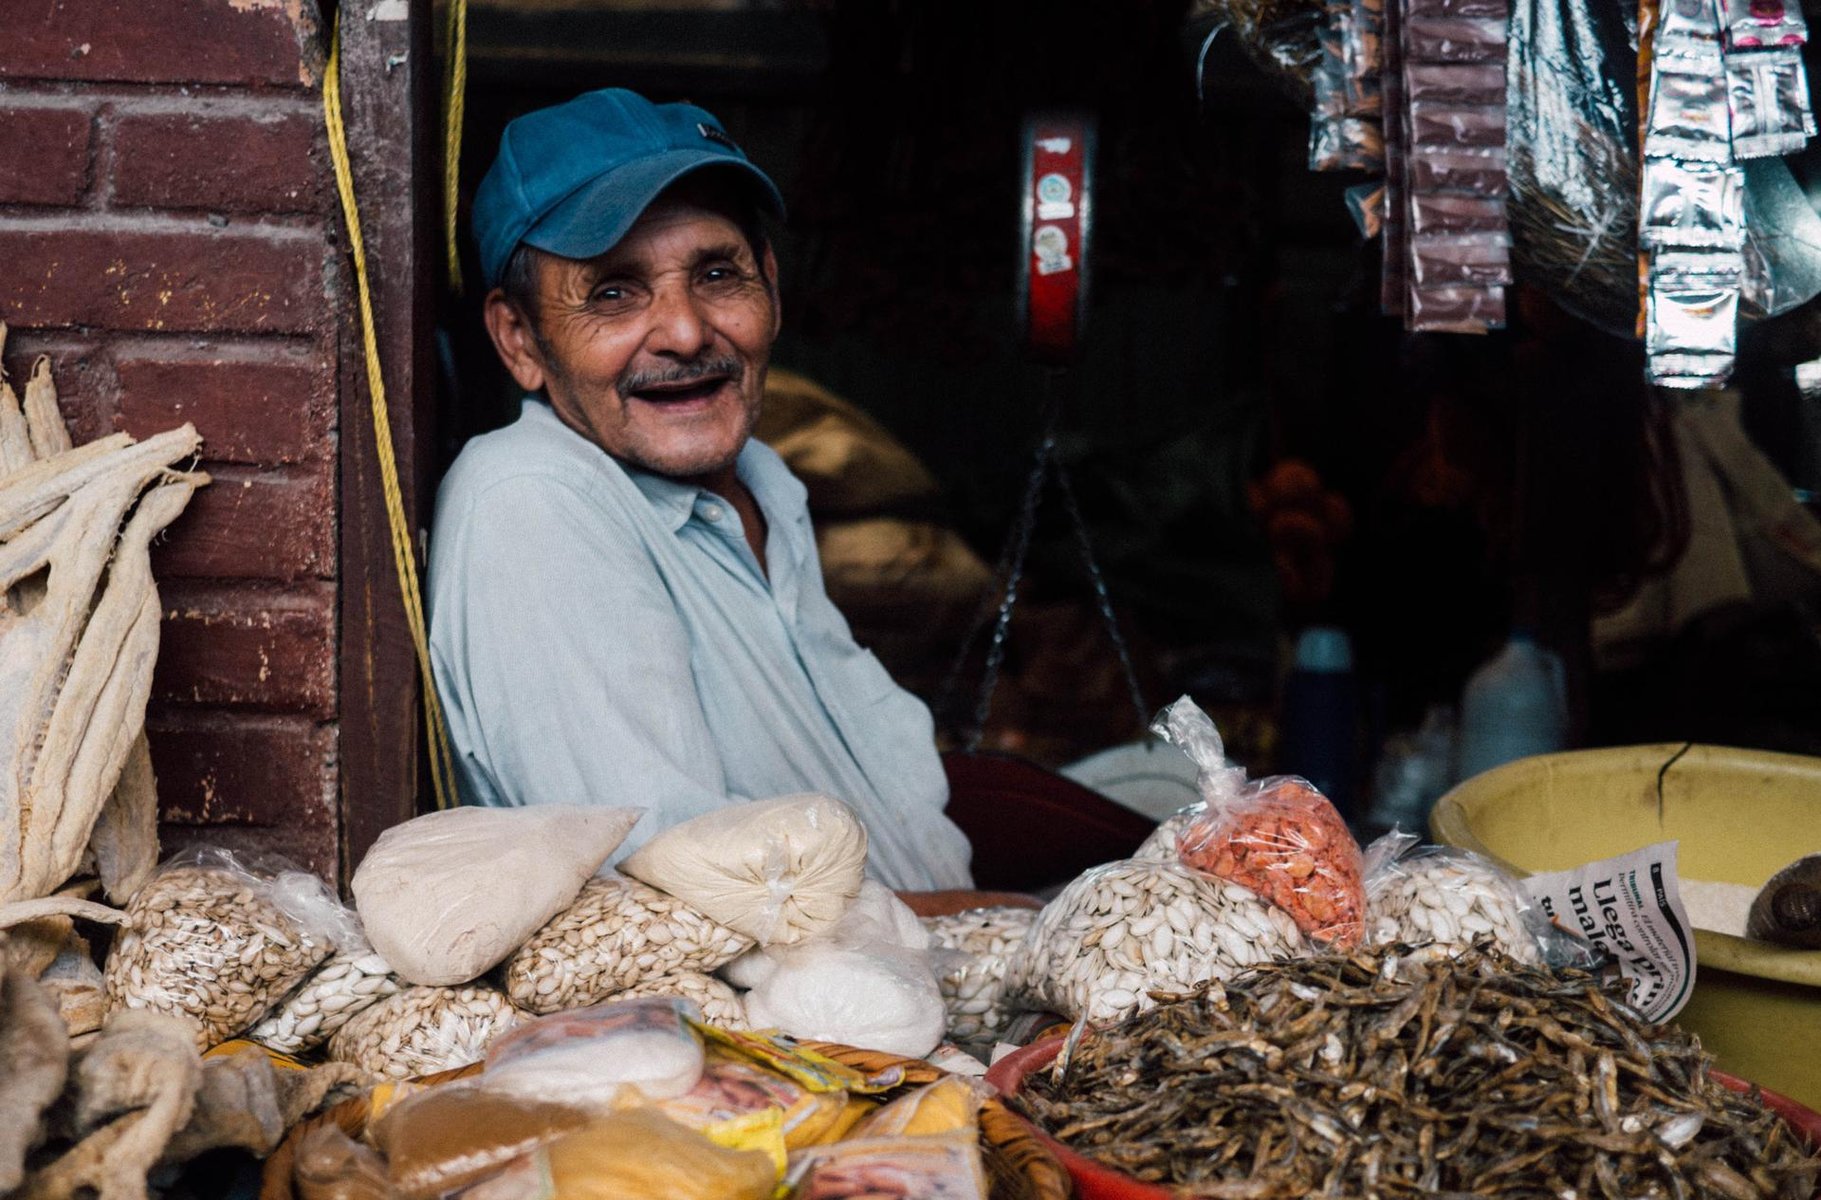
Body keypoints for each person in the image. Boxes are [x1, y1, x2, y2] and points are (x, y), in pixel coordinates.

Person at [428, 88, 1023, 914]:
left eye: (716, 274)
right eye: (612, 293)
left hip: (909, 1006)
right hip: (781, 1036)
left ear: (770, 287)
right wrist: (1003, 922)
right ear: (520, 340)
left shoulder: (766, 485)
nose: (683, 331)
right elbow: (670, 893)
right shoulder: (533, 500)